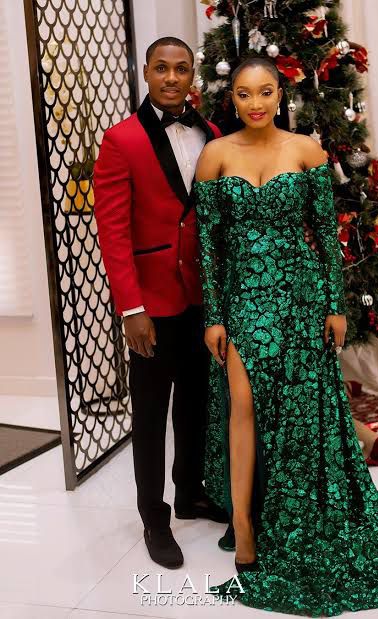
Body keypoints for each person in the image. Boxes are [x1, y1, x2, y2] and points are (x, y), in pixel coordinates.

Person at [192, 57, 378, 615]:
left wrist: (335, 307)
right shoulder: (215, 155)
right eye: (244, 94)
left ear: (280, 94)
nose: (255, 103)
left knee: (301, 410)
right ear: (233, 99)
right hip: (245, 299)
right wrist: (214, 317)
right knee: (242, 404)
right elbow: (210, 247)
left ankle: (295, 511)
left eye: (265, 92)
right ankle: (243, 526)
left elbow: (324, 235)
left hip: (300, 297)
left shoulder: (306, 151)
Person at [93, 37, 230, 570]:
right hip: (150, 304)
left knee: (196, 402)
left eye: (181, 69)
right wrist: (131, 309)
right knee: (150, 414)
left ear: (192, 75)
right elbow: (113, 232)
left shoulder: (211, 133)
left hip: (203, 299)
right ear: (146, 73)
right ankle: (154, 515)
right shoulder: (120, 140)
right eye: (161, 68)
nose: (172, 78)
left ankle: (190, 491)